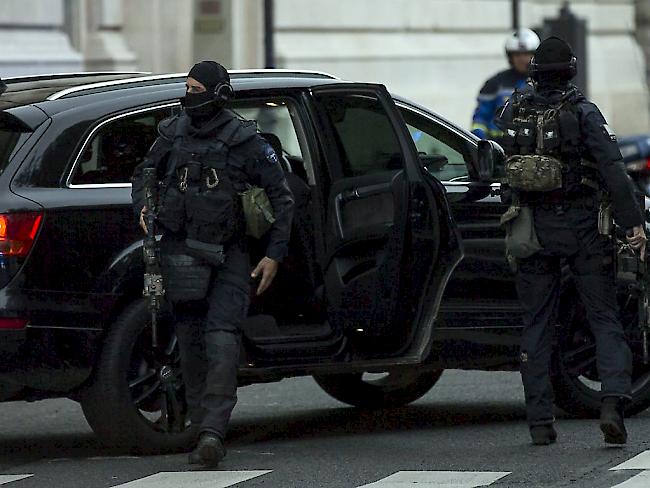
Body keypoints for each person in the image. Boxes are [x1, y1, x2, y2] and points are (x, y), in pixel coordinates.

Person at [131, 61, 294, 466]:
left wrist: (273, 254)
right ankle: (200, 425)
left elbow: (282, 198)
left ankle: (212, 434)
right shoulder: (172, 132)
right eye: (186, 88)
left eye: (197, 89)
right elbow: (143, 174)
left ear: (219, 94)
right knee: (189, 342)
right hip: (180, 251)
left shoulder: (246, 140)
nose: (189, 96)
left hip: (229, 255)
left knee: (221, 340)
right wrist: (144, 208)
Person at [495, 37, 646, 446]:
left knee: (537, 323)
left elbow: (501, 165)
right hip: (583, 229)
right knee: (604, 317)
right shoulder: (582, 112)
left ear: (534, 72)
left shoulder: (513, 110)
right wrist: (633, 224)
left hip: (531, 229)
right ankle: (613, 404)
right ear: (571, 71)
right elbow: (614, 170)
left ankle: (540, 422)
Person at [471, 28, 540, 140]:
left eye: (527, 54)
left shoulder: (543, 83)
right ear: (510, 57)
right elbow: (480, 119)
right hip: (498, 146)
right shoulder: (495, 84)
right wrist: (481, 140)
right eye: (517, 55)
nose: (522, 59)